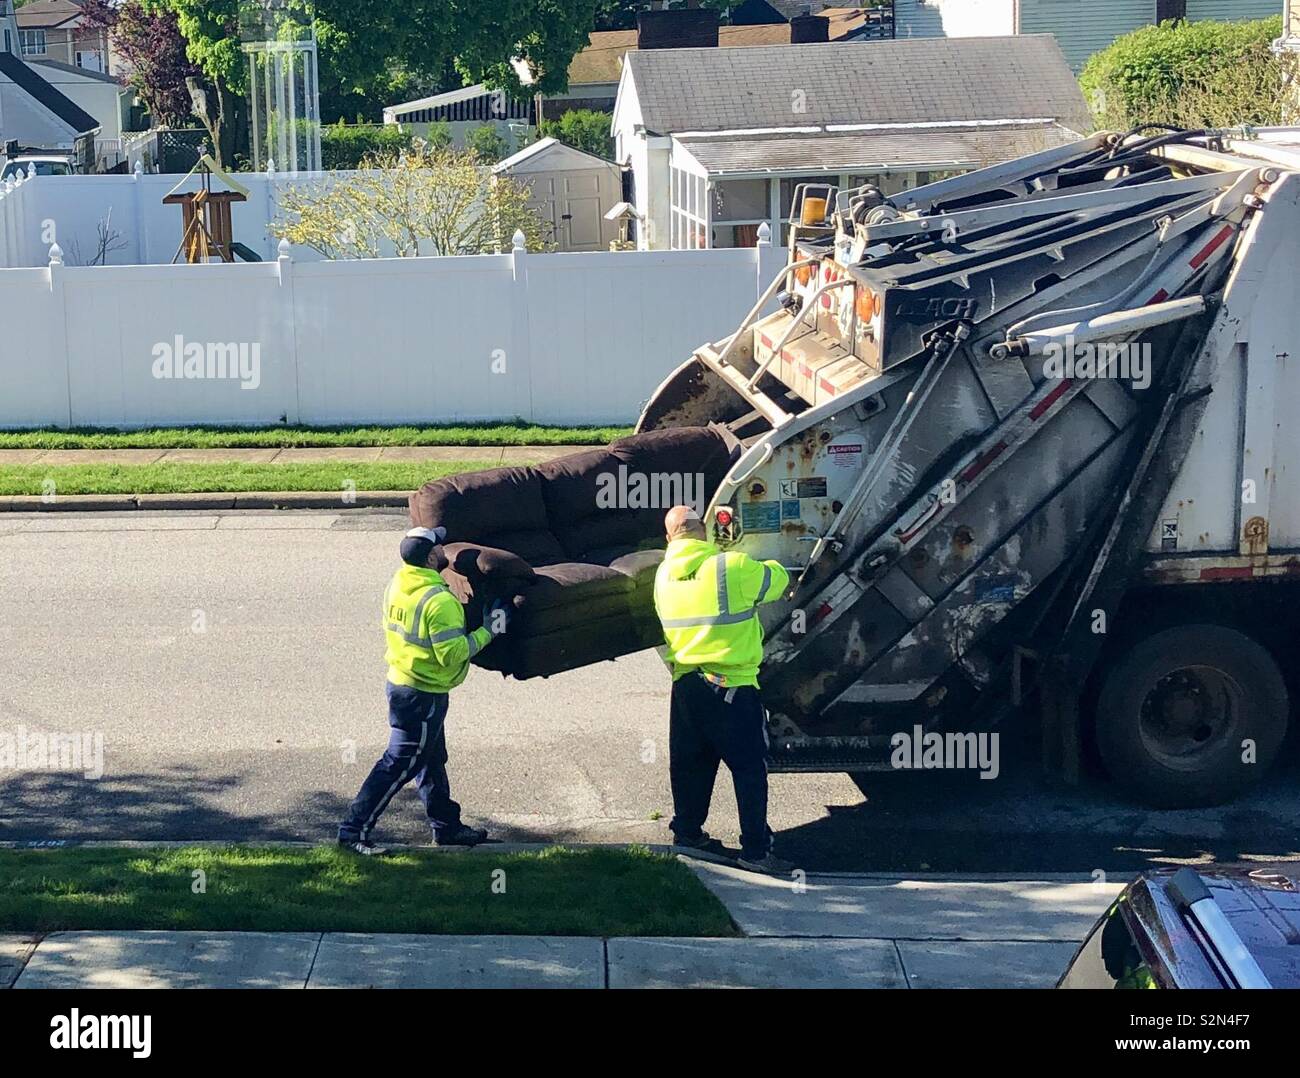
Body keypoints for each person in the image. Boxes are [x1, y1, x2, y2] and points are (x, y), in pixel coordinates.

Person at [338, 526, 509, 855]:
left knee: (430, 761)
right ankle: (352, 832)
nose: (444, 548)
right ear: (431, 557)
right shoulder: (439, 601)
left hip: (402, 683)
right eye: (438, 545)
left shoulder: (399, 583)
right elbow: (454, 653)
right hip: (423, 696)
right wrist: (490, 629)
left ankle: (446, 827)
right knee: (397, 765)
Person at [652, 505, 793, 874]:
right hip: (731, 685)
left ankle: (688, 834)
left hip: (686, 684)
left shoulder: (663, 575)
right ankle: (756, 852)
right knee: (748, 768)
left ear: (670, 539)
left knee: (690, 763)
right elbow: (778, 581)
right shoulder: (731, 567)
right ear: (705, 531)